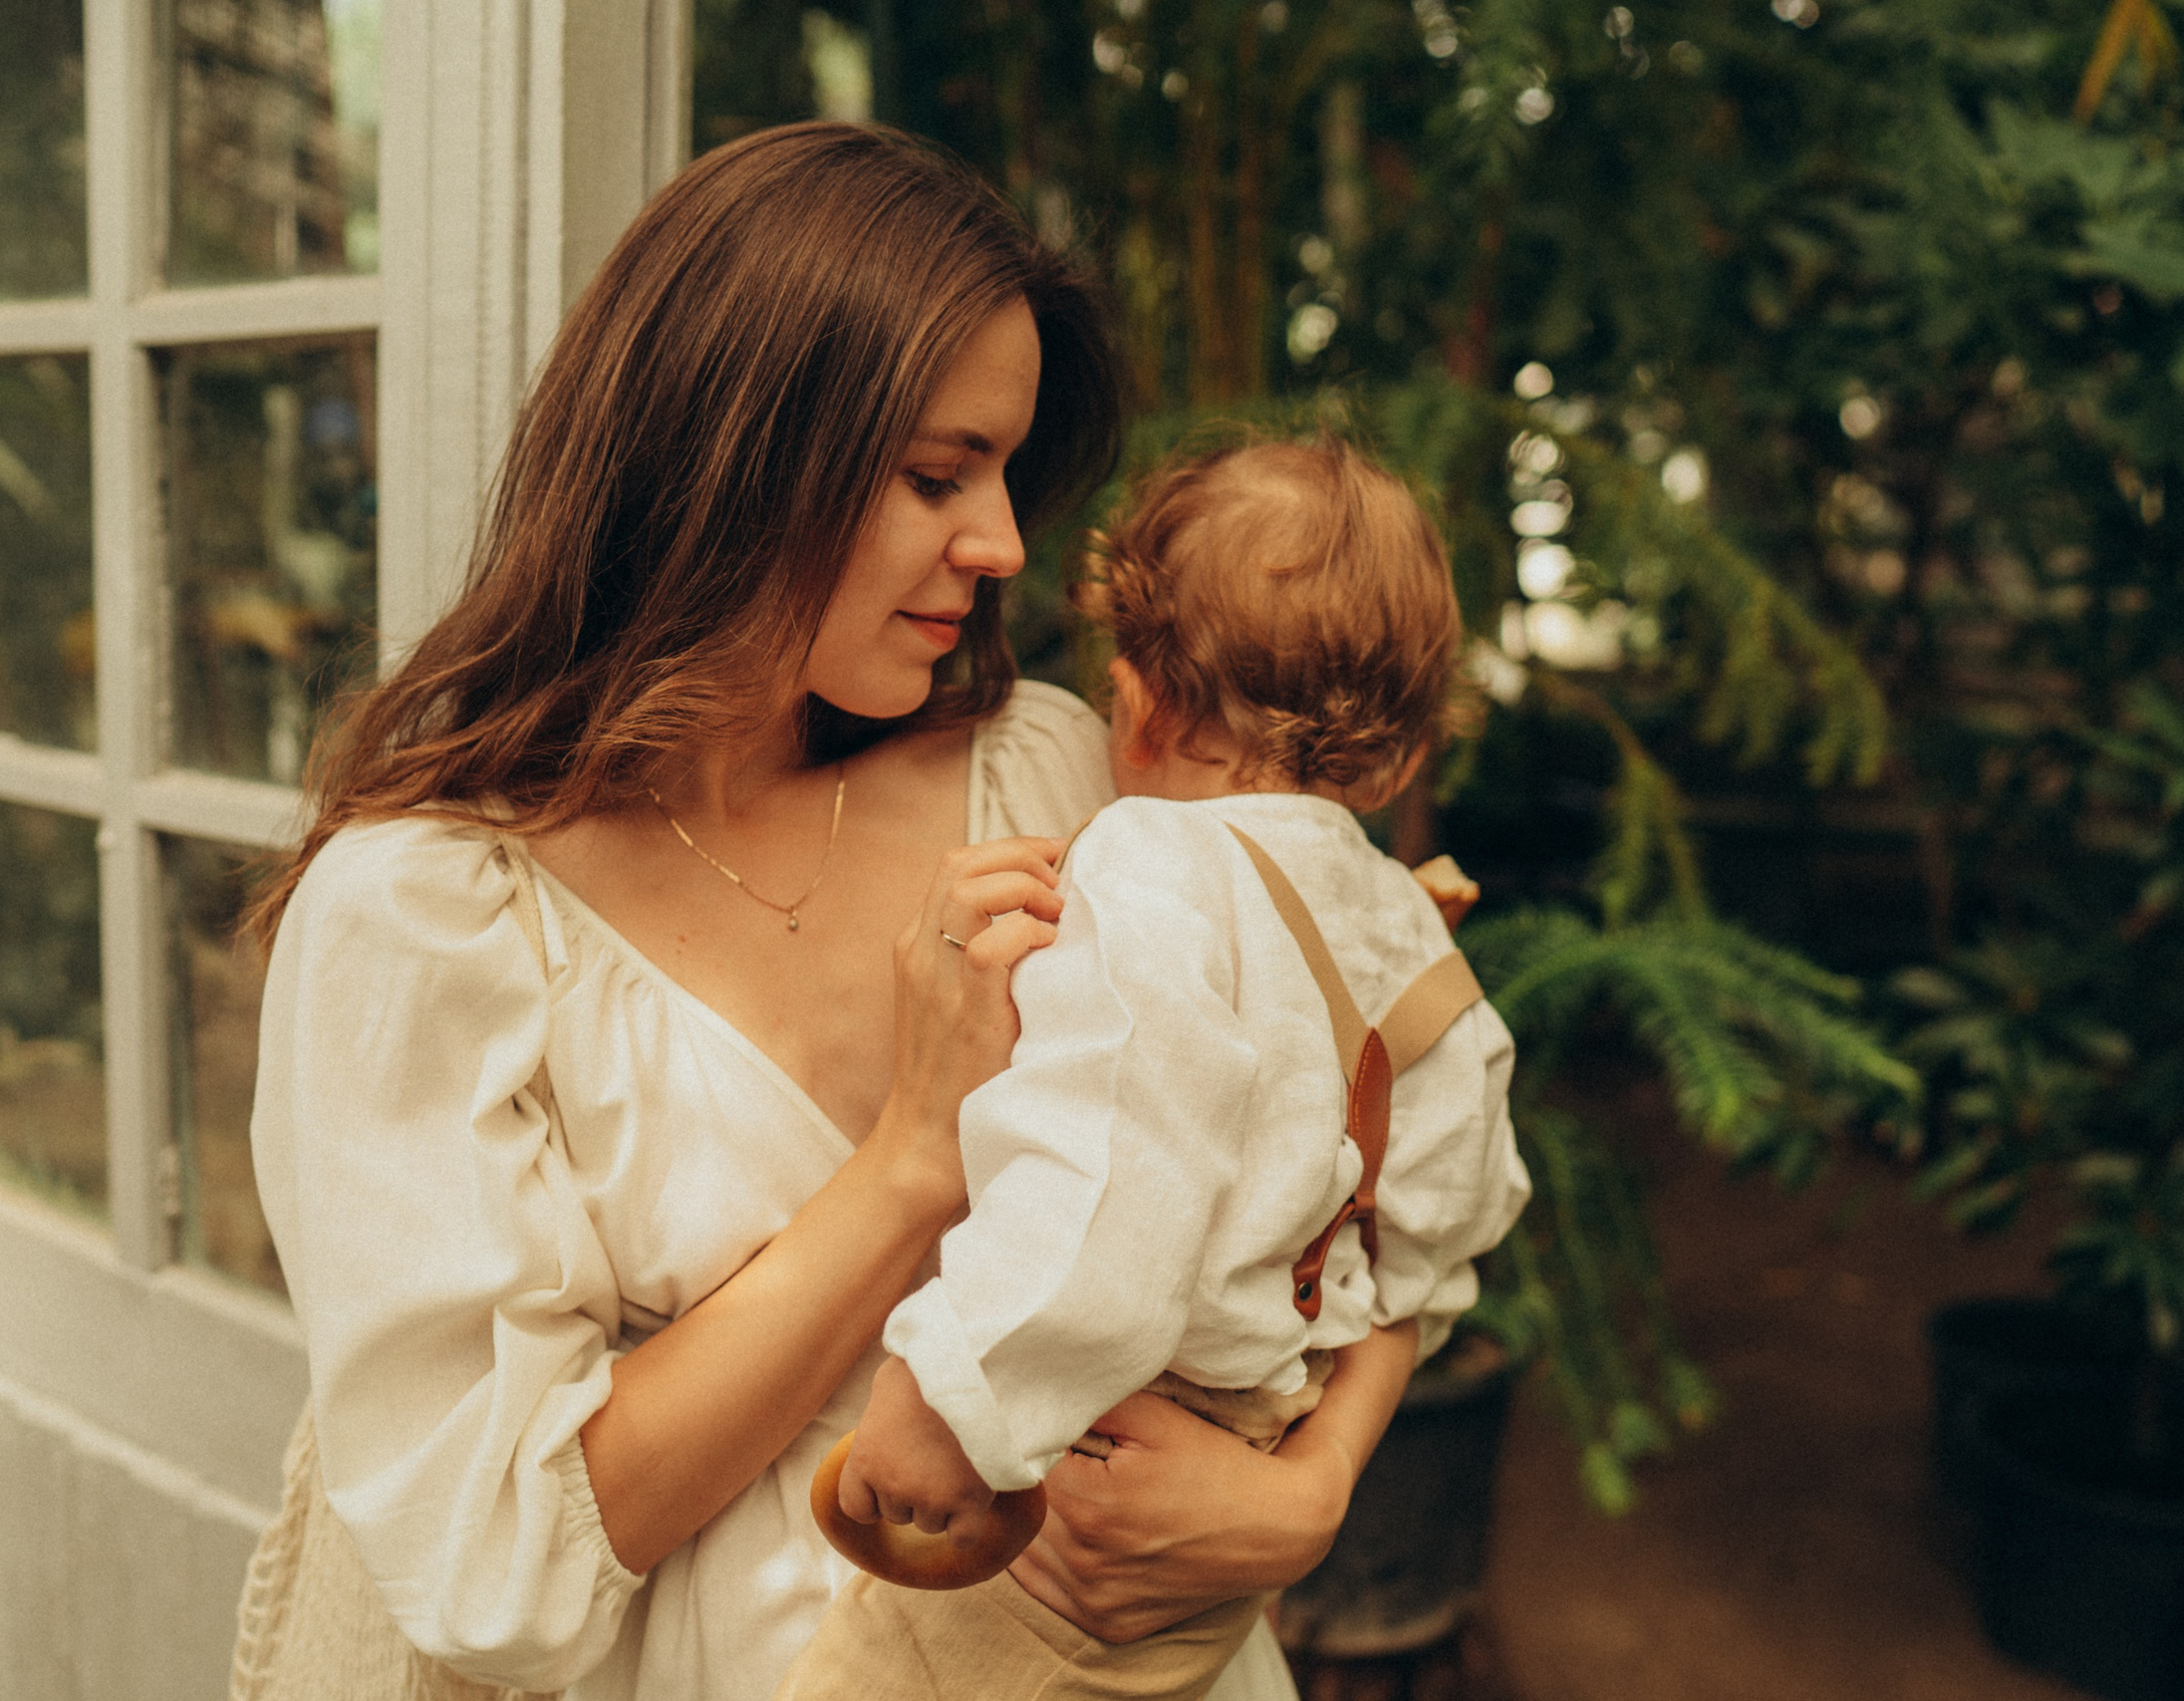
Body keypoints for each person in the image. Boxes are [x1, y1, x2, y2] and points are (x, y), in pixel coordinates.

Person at [230, 124, 1404, 1701]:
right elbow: (491, 1565)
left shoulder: (1051, 771)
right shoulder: (430, 919)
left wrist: (1312, 1483)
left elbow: (1365, 1163)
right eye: (935, 475)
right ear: (734, 457)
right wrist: (915, 1155)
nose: (1000, 543)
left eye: (1004, 471)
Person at [777, 435, 1532, 1700]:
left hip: (1087, 1457)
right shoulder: (1419, 945)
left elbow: (1110, 1172)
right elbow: (1448, 1225)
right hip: (1250, 1459)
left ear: (1139, 706)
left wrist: (956, 1393)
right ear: (1403, 758)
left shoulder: (1152, 867)